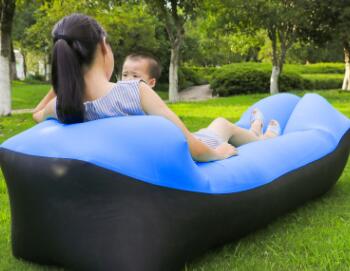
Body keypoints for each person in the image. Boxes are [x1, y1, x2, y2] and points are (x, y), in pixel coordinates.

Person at [33, 13, 280, 162]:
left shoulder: (63, 106)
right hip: (194, 155)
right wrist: (218, 154)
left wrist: (63, 82)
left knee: (218, 127)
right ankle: (262, 137)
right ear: (103, 48)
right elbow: (189, 144)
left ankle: (256, 129)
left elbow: (36, 114)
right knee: (221, 125)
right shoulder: (134, 92)